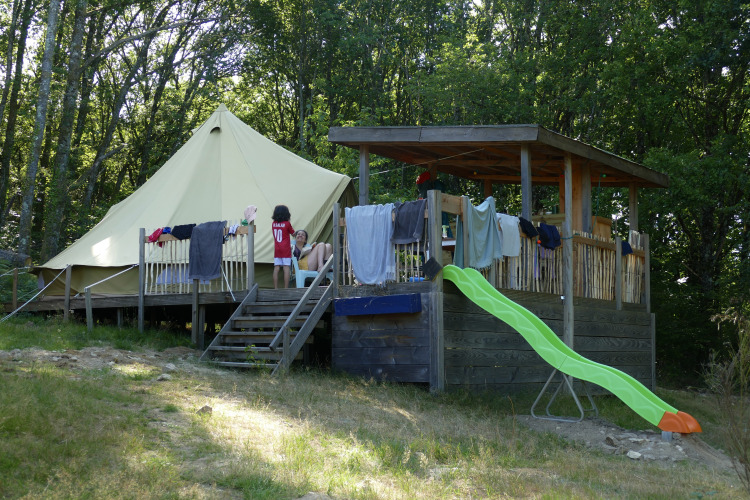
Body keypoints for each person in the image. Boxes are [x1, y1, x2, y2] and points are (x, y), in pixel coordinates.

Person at [271, 205, 295, 289]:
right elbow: (293, 234)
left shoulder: (273, 224)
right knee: (286, 267)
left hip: (277, 248)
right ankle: (286, 288)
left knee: (276, 267)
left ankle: (275, 288)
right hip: (285, 248)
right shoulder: (287, 223)